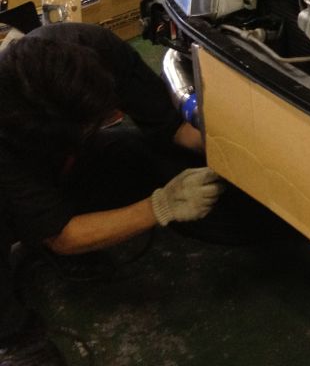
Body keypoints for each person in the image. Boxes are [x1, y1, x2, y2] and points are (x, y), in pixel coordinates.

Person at [0, 23, 223, 366]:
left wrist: (228, 150)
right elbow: (64, 236)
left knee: (132, 154)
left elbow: (170, 128)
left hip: (50, 153)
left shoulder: (92, 47)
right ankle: (13, 338)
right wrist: (161, 206)